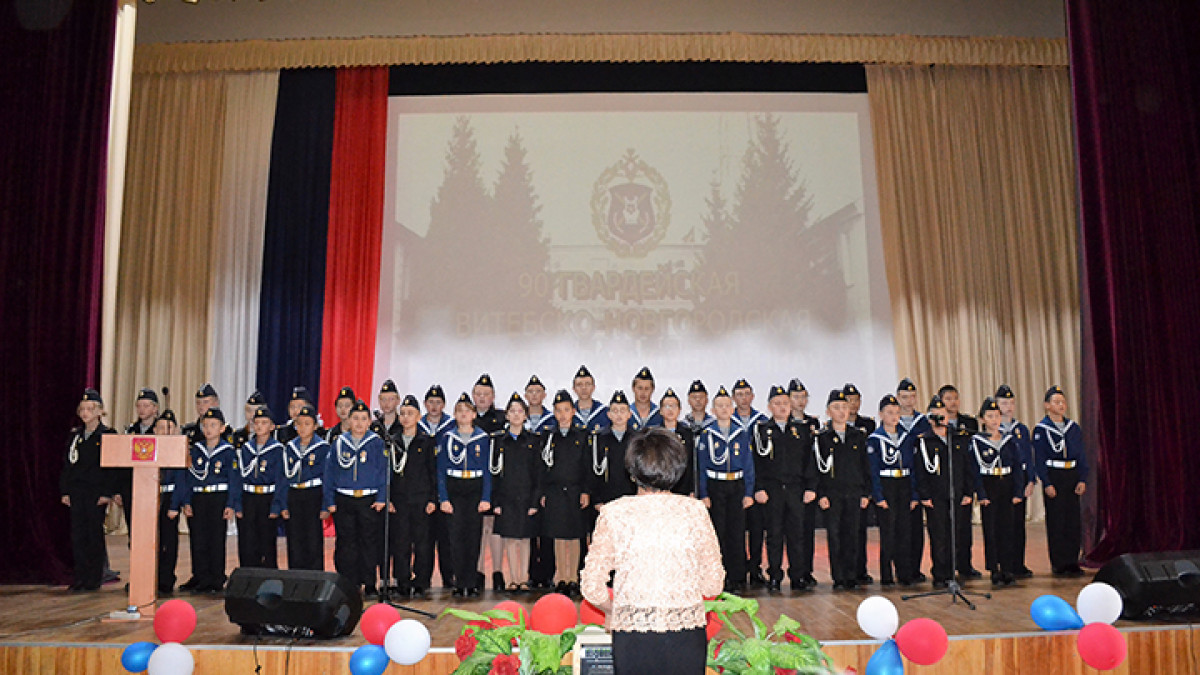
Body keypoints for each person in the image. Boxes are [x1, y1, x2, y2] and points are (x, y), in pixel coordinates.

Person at [581, 428, 723, 675]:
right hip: (686, 632)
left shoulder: (614, 513)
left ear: (632, 469)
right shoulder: (695, 511)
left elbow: (591, 585)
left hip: (632, 632)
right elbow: (713, 584)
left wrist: (614, 611)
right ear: (677, 468)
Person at [752, 384, 816, 593]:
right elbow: (756, 463)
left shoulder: (801, 430)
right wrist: (758, 488)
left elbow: (809, 461)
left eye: (785, 403)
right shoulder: (762, 430)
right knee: (774, 535)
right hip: (772, 490)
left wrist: (810, 487)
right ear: (769, 406)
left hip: (796, 489)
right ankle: (775, 576)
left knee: (797, 535)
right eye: (777, 403)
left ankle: (798, 576)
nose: (782, 407)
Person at [170, 407, 241, 594]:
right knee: (198, 539)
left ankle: (216, 579)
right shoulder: (196, 450)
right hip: (198, 498)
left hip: (218, 498)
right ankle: (201, 577)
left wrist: (231, 504)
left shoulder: (228, 451)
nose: (209, 429)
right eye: (206, 425)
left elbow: (234, 479)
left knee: (216, 539)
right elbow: (188, 479)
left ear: (222, 428)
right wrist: (186, 501)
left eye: (213, 425)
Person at [322, 399, 388, 597]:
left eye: (363, 419)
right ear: (349, 421)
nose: (359, 423)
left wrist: (382, 497)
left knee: (369, 542)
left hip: (368, 500)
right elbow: (329, 474)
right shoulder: (339, 443)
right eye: (355, 418)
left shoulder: (376, 443)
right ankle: (349, 583)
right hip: (344, 499)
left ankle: (370, 583)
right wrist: (330, 501)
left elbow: (384, 472)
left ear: (369, 422)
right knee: (346, 543)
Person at [697, 386, 756, 592]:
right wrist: (704, 493)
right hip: (716, 486)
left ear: (732, 409)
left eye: (727, 405)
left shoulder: (741, 433)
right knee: (717, 533)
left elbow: (748, 465)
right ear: (713, 410)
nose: (723, 409)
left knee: (737, 532)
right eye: (719, 406)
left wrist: (748, 492)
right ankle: (718, 578)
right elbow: (701, 467)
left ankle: (737, 577)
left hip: (736, 486)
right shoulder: (707, 434)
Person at [812, 389, 870, 590]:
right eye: (836, 407)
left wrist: (866, 492)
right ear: (828, 412)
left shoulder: (858, 436)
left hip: (854, 492)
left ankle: (851, 576)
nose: (842, 411)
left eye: (844, 407)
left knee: (852, 534)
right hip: (832, 494)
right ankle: (839, 577)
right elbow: (816, 468)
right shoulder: (822, 438)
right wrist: (821, 494)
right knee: (835, 536)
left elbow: (865, 466)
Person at [914, 396, 974, 588]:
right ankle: (940, 573)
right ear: (929, 419)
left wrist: (968, 492)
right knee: (939, 535)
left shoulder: (958, 438)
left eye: (943, 415)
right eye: (936, 416)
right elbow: (920, 471)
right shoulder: (924, 441)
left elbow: (967, 467)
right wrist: (924, 495)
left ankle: (953, 572)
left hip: (957, 494)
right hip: (935, 496)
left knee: (956, 534)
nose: (940, 419)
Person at [60, 388, 117, 592]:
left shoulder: (107, 435)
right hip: (77, 491)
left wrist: (107, 492)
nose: (85, 413)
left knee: (94, 534)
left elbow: (111, 469)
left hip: (95, 492)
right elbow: (67, 465)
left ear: (100, 411)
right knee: (78, 535)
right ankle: (80, 576)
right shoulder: (75, 435)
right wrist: (65, 491)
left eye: (90, 409)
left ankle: (94, 578)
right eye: (82, 409)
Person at [437, 393, 494, 597]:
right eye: (459, 411)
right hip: (455, 488)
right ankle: (459, 582)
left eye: (467, 411)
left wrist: (485, 497)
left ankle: (471, 582)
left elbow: (487, 471)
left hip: (474, 488)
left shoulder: (482, 438)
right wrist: (444, 498)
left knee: (473, 537)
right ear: (454, 414)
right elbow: (441, 471)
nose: (463, 414)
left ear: (473, 414)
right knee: (456, 537)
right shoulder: (447, 438)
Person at [385, 394, 438, 597]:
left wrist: (433, 499)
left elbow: (432, 472)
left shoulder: (426, 442)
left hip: (421, 500)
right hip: (399, 500)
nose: (406, 417)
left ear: (418, 417)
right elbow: (388, 473)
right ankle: (403, 580)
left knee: (423, 543)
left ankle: (422, 581)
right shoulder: (393, 441)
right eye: (403, 414)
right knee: (401, 542)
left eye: (410, 413)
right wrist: (389, 498)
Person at [1033, 385, 1089, 577]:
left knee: (1072, 520)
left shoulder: (1073, 428)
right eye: (1056, 402)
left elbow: (1081, 454)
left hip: (1071, 474)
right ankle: (1059, 562)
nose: (1061, 405)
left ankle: (1072, 561)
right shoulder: (1041, 430)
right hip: (1054, 475)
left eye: (1063, 402)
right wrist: (1046, 482)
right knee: (1057, 520)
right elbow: (1039, 459)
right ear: (1047, 405)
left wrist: (1082, 478)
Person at [540, 389, 591, 596]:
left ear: (573, 411)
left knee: (575, 536)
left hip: (575, 491)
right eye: (558, 410)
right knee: (558, 536)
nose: (562, 415)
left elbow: (587, 466)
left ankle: (573, 578)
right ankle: (561, 577)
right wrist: (543, 492)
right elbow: (541, 467)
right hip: (554, 491)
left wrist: (586, 491)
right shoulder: (548, 436)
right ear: (553, 412)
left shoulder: (582, 435)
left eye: (566, 410)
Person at [971, 398, 1025, 587]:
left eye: (996, 416)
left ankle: (1008, 568)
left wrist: (1018, 491)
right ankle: (994, 568)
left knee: (1007, 528)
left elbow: (1017, 466)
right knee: (991, 529)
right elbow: (975, 470)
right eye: (990, 416)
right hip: (989, 484)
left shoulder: (1009, 440)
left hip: (1007, 484)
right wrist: (981, 493)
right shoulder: (977, 442)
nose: (994, 420)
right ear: (982, 419)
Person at [491, 393, 542, 592]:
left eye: (520, 411)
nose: (516, 414)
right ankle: (513, 579)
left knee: (526, 539)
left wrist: (535, 501)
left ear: (525, 415)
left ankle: (523, 578)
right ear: (506, 415)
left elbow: (538, 473)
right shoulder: (499, 441)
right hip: (506, 498)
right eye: (512, 411)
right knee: (510, 539)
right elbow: (494, 473)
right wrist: (496, 502)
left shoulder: (533, 440)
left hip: (527, 497)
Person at [867, 394, 917, 586]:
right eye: (889, 412)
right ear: (881, 414)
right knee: (888, 532)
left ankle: (904, 572)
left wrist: (914, 494)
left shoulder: (906, 437)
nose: (894, 416)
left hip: (903, 484)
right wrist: (878, 495)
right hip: (886, 485)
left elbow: (912, 468)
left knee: (905, 531)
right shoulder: (875, 439)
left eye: (897, 412)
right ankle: (886, 574)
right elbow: (873, 471)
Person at [236, 407, 287, 569]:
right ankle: (248, 575)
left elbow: (281, 479)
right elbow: (239, 478)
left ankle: (268, 575)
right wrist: (238, 504)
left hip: (267, 498)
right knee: (247, 540)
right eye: (256, 422)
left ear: (272, 426)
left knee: (266, 540)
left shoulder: (277, 449)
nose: (259, 426)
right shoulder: (246, 449)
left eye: (264, 423)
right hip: (248, 497)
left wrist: (277, 505)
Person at [282, 405, 328, 571]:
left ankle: (315, 577)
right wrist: (283, 504)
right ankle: (296, 576)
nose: (302, 428)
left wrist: (325, 505)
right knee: (294, 537)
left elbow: (327, 478)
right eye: (299, 424)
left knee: (313, 538)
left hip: (313, 494)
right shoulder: (290, 447)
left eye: (307, 424)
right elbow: (283, 478)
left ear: (315, 426)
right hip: (294, 494)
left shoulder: (322, 448)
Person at [995, 384, 1034, 578]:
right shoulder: (993, 429)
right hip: (1003, 478)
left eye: (1011, 403)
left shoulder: (1021, 429)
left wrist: (1031, 480)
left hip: (1021, 478)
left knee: (1019, 523)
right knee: (1003, 523)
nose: (1008, 407)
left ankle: (1019, 563)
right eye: (1004, 403)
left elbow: (1028, 456)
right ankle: (1004, 564)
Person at [896, 378, 931, 582]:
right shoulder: (892, 422)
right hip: (900, 481)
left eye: (912, 396)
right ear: (898, 398)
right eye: (904, 397)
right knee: (901, 529)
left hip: (920, 480)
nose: (908, 401)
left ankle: (915, 569)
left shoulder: (924, 422)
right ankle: (902, 570)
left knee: (917, 530)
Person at [420, 384, 455, 587]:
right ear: (425, 404)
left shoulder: (451, 426)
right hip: (424, 489)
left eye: (438, 402)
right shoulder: (417, 426)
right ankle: (423, 579)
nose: (434, 406)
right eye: (431, 402)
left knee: (446, 538)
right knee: (424, 539)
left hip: (446, 488)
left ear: (444, 405)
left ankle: (449, 577)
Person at [788, 378, 822, 589]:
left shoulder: (813, 423)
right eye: (796, 397)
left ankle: (806, 571)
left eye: (803, 397)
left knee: (807, 530)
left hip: (808, 484)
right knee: (792, 532)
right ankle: (795, 572)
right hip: (789, 484)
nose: (800, 401)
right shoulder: (783, 423)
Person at [844, 383, 876, 586]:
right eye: (849, 401)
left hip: (860, 485)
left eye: (856, 400)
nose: (853, 404)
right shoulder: (830, 428)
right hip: (842, 486)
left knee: (860, 532)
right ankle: (846, 572)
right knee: (843, 533)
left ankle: (861, 570)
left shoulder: (868, 425)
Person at [590, 390, 638, 509]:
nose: (619, 415)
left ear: (629, 414)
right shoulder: (599, 438)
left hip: (632, 497)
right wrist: (596, 500)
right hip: (606, 498)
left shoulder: (637, 439)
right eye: (615, 411)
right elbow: (592, 471)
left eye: (622, 411)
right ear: (609, 414)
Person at [153, 410, 182, 595]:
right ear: (155, 430)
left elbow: (181, 480)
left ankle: (166, 578)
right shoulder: (149, 448)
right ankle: (150, 577)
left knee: (168, 540)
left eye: (169, 428)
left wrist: (175, 505)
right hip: (151, 498)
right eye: (161, 428)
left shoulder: (178, 449)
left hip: (170, 497)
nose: (165, 431)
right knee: (152, 540)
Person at [659, 388, 696, 496]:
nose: (670, 409)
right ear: (660, 411)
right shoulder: (655, 434)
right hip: (661, 485)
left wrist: (692, 490)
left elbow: (692, 463)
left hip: (683, 485)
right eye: (667, 406)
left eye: (674, 406)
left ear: (679, 410)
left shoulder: (687, 433)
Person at [572, 365, 610, 432]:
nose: (584, 388)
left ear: (593, 387)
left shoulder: (605, 412)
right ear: (574, 389)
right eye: (579, 385)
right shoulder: (569, 413)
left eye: (587, 384)